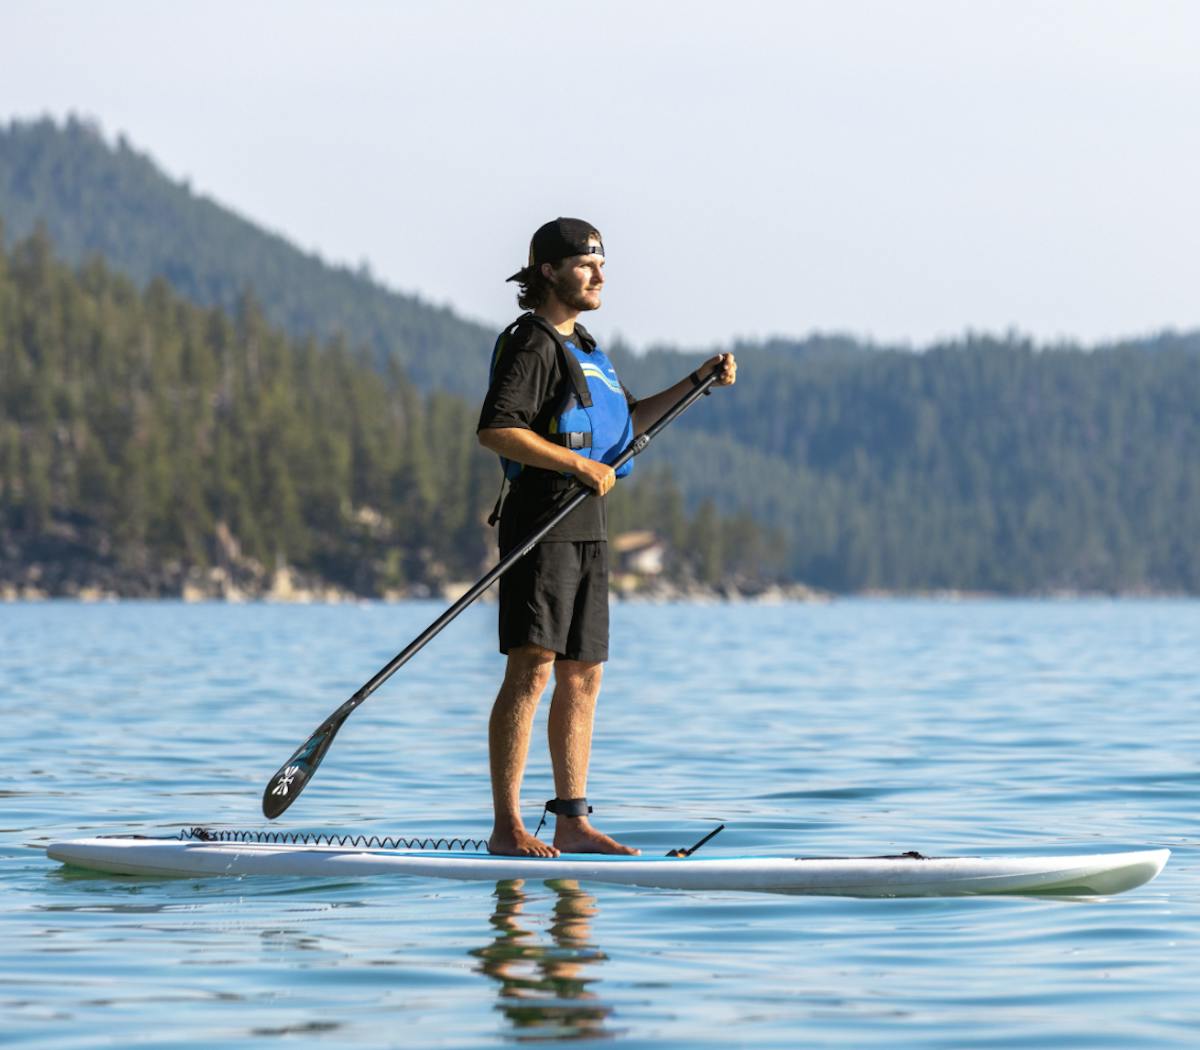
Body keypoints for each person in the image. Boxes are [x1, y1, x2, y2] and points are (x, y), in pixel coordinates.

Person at [477, 217, 736, 856]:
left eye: (602, 264)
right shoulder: (532, 343)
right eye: (587, 264)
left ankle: (571, 819)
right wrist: (576, 465)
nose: (600, 275)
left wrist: (694, 383)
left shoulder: (587, 348)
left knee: (584, 674)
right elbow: (497, 429)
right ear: (548, 271)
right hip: (541, 523)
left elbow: (624, 428)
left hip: (587, 529)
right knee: (532, 669)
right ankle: (507, 827)